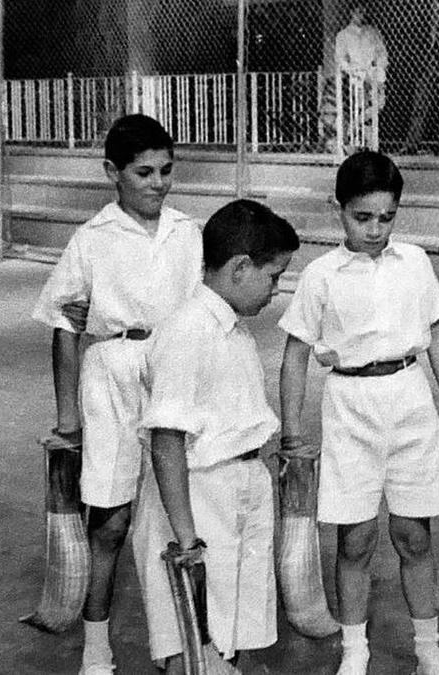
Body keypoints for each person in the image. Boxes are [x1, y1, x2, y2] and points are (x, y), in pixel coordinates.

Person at [277, 150, 439, 675]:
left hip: (410, 400)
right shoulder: (321, 275)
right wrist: (293, 430)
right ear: (338, 209)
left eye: (387, 217)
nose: (376, 229)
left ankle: (429, 651)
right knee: (354, 539)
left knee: (413, 535)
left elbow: (437, 336)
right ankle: (354, 653)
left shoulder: (415, 263)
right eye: (363, 217)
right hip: (348, 406)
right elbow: (295, 355)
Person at [30, 113, 200, 675]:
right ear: (113, 173)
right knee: (111, 522)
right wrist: (67, 416)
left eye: (166, 171)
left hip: (174, 371)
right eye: (144, 172)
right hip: (111, 371)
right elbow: (64, 323)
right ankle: (97, 651)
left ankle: (180, 647)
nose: (158, 183)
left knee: (180, 519)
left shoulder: (187, 232)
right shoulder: (92, 238)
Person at [131, 199, 299, 673]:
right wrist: (187, 538)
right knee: (193, 645)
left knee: (233, 635)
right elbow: (166, 441)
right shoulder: (189, 330)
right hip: (201, 500)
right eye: (274, 276)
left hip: (239, 490)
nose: (276, 290)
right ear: (241, 268)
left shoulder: (231, 329)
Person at [333, 3, 388, 150]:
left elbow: (382, 53)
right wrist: (352, 70)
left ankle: (355, 124)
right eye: (358, 12)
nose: (361, 15)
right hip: (356, 75)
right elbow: (340, 58)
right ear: (351, 13)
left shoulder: (373, 32)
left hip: (373, 73)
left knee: (379, 104)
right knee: (360, 107)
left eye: (363, 12)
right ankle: (367, 144)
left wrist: (379, 68)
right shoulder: (343, 35)